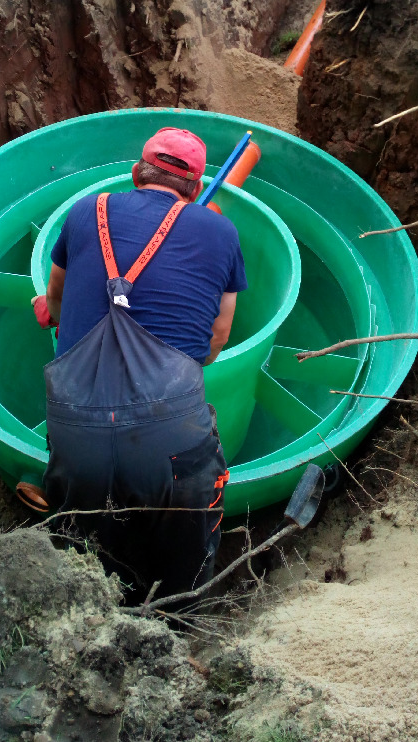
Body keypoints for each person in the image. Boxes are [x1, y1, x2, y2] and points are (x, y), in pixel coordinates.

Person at [32, 127, 247, 600]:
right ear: (193, 189)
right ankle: (177, 627)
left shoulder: (88, 210)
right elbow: (217, 336)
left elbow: (56, 298)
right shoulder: (221, 231)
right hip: (171, 446)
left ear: (135, 173)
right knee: (182, 566)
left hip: (76, 433)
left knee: (81, 566)